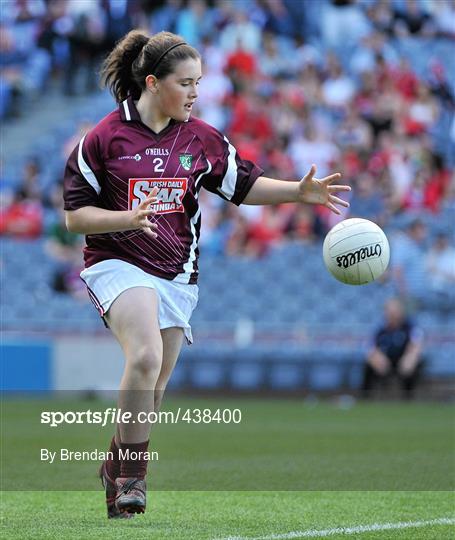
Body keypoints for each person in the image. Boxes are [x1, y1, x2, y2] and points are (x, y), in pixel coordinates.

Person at [62, 29, 350, 519]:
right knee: (146, 354)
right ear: (153, 83)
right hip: (116, 262)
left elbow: (244, 186)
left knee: (152, 388)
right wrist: (126, 220)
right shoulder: (104, 138)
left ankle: (115, 464)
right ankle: (134, 474)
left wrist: (297, 193)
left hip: (177, 275)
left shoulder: (202, 138)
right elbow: (74, 217)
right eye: (186, 83)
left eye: (199, 82)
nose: (196, 93)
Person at [361, 298, 423, 400]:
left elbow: (416, 344)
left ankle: (408, 398)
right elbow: (370, 346)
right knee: (367, 365)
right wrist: (377, 358)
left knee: (415, 365)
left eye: (395, 312)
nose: (392, 315)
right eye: (390, 312)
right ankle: (365, 397)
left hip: (403, 359)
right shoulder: (379, 327)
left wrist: (410, 358)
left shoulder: (410, 327)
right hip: (384, 359)